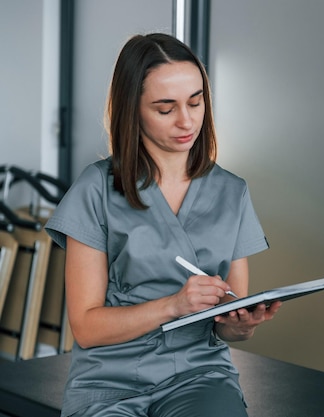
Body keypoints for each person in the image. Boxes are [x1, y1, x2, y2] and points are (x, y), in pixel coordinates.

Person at [45, 33, 281, 417]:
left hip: (198, 376)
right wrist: (174, 304)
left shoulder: (231, 192)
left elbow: (227, 323)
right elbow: (86, 326)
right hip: (109, 382)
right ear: (133, 109)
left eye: (196, 101)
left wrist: (242, 324)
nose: (186, 121)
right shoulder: (96, 189)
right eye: (165, 108)